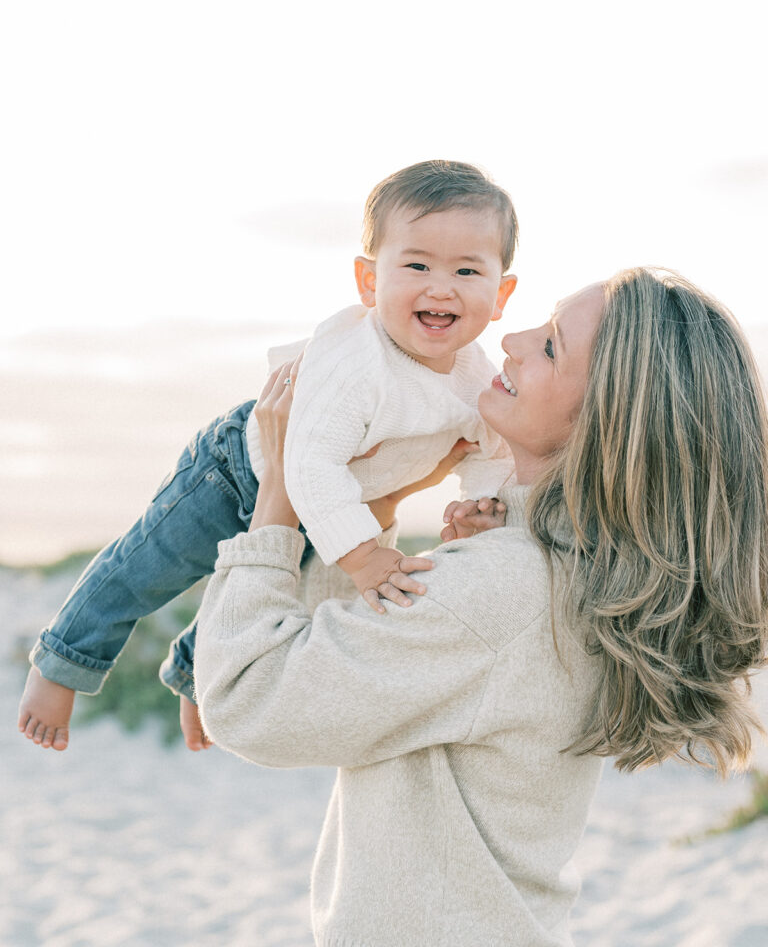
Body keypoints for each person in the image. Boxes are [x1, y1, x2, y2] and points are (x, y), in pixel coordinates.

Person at [193, 269, 768, 946]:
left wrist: (281, 498)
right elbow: (344, 655)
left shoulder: (508, 588)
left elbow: (246, 698)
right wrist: (379, 512)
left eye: (552, 346)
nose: (514, 339)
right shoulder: (569, 575)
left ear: (607, 422)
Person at [17, 160, 519, 752]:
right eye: (416, 265)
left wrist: (481, 501)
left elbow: (490, 445)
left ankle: (193, 677)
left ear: (501, 293)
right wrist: (361, 559)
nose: (441, 286)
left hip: (332, 505)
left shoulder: (474, 376)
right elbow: (306, 466)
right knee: (148, 567)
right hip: (239, 473)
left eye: (467, 269)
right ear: (369, 281)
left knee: (266, 590)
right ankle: (62, 664)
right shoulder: (357, 364)